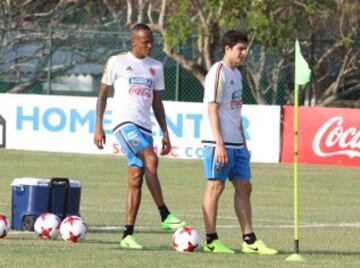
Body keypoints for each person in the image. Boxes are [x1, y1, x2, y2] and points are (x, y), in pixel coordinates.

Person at [94, 23, 186, 250]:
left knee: (136, 179)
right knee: (151, 159)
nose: (150, 45)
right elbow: (103, 94)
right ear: (133, 42)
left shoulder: (156, 66)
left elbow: (157, 103)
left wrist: (165, 133)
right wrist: (98, 126)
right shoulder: (117, 62)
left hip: (146, 127)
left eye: (151, 41)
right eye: (145, 42)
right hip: (124, 124)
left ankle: (127, 235)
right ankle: (165, 215)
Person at [201, 30, 278, 254]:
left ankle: (249, 240)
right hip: (219, 143)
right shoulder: (218, 72)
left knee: (245, 187)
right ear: (227, 49)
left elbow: (236, 110)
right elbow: (212, 108)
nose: (244, 53)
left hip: (237, 143)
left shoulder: (238, 75)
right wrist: (220, 144)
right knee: (215, 186)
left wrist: (243, 142)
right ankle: (211, 240)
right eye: (240, 49)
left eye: (245, 49)